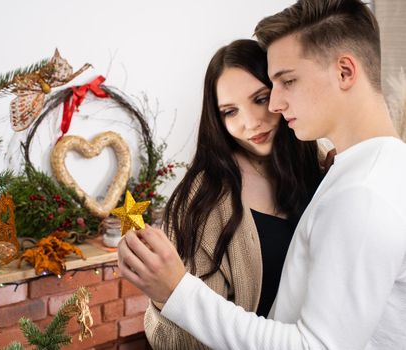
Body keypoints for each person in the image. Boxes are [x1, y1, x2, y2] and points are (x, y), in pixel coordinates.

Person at [118, 0, 406, 349]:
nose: (273, 106)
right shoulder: (354, 170)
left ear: (345, 72)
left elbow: (314, 345)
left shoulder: (360, 192)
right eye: (230, 110)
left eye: (286, 82)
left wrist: (177, 291)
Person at [144, 39, 325, 349]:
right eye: (230, 111)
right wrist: (166, 297)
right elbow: (182, 338)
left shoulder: (317, 164)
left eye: (260, 99)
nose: (250, 122)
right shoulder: (204, 200)